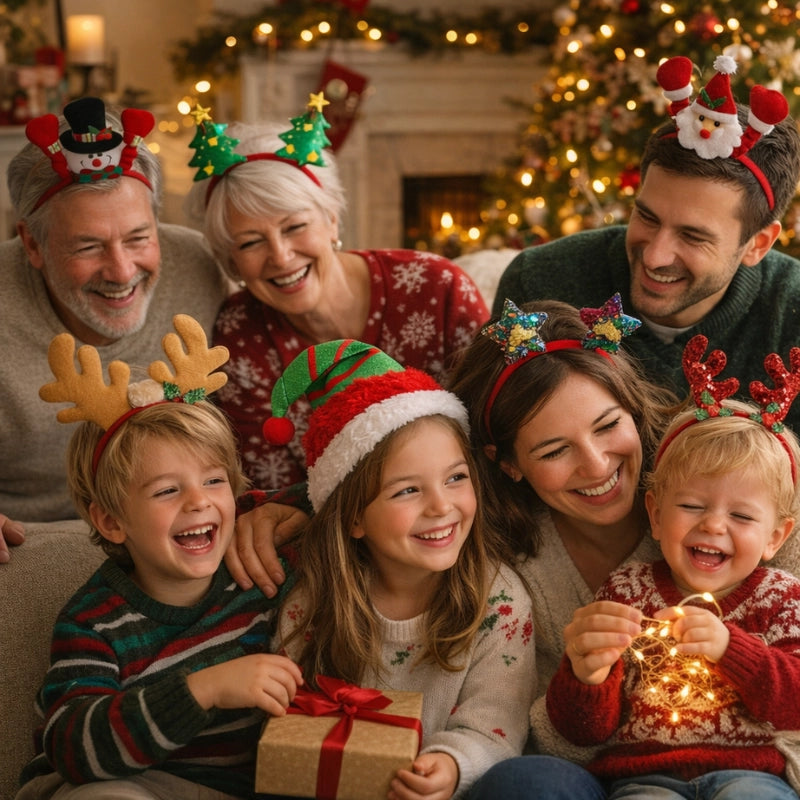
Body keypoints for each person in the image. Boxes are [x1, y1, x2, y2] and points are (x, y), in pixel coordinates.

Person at [16, 315, 303, 800]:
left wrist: (284, 512)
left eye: (215, 481)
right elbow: (74, 747)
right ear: (111, 521)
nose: (199, 502)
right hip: (136, 785)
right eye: (167, 490)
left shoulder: (251, 558)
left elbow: (344, 497)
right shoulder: (93, 623)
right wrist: (203, 690)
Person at [261, 338, 535, 799]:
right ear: (353, 518)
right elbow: (290, 724)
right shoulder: (312, 602)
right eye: (407, 491)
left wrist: (449, 764)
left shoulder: (501, 603)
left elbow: (497, 725)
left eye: (455, 478)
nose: (441, 506)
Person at [184, 94, 489, 492]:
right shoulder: (240, 335)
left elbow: (492, 434)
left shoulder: (437, 288)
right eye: (250, 243)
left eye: (295, 227)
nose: (281, 256)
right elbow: (267, 488)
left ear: (331, 219)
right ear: (231, 262)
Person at [545, 334, 800, 799]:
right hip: (644, 778)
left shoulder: (782, 598)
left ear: (775, 537)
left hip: (751, 777)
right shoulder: (627, 590)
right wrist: (586, 673)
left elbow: (796, 703)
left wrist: (732, 649)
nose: (714, 525)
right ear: (657, 515)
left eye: (741, 516)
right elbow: (582, 731)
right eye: (691, 505)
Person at [491, 54, 800, 432]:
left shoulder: (793, 310)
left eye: (693, 236)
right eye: (647, 217)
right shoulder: (538, 281)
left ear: (758, 244)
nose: (654, 256)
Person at [0, 96, 230, 552]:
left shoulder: (202, 265)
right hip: (31, 544)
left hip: (188, 537)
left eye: (139, 238)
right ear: (32, 244)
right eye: (88, 247)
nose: (123, 272)